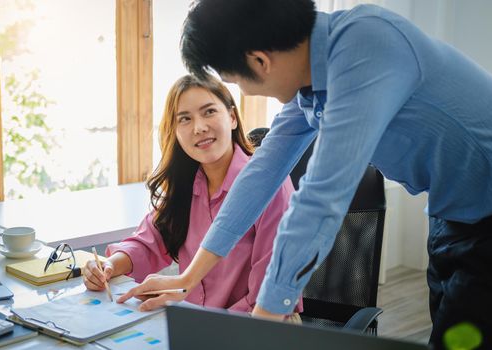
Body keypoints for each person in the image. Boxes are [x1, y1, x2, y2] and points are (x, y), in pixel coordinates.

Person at [130, 0, 492, 348]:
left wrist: (265, 320)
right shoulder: (311, 87)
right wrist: (188, 277)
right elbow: (260, 174)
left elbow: (319, 201)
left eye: (237, 82)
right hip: (453, 211)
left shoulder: (365, 48)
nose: (243, 90)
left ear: (259, 61)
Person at [83, 74, 301, 316]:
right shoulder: (187, 186)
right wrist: (109, 266)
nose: (199, 128)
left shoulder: (269, 184)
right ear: (175, 132)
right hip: (197, 324)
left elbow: (269, 295)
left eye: (209, 112)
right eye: (185, 119)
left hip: (261, 325)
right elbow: (149, 243)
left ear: (231, 117)